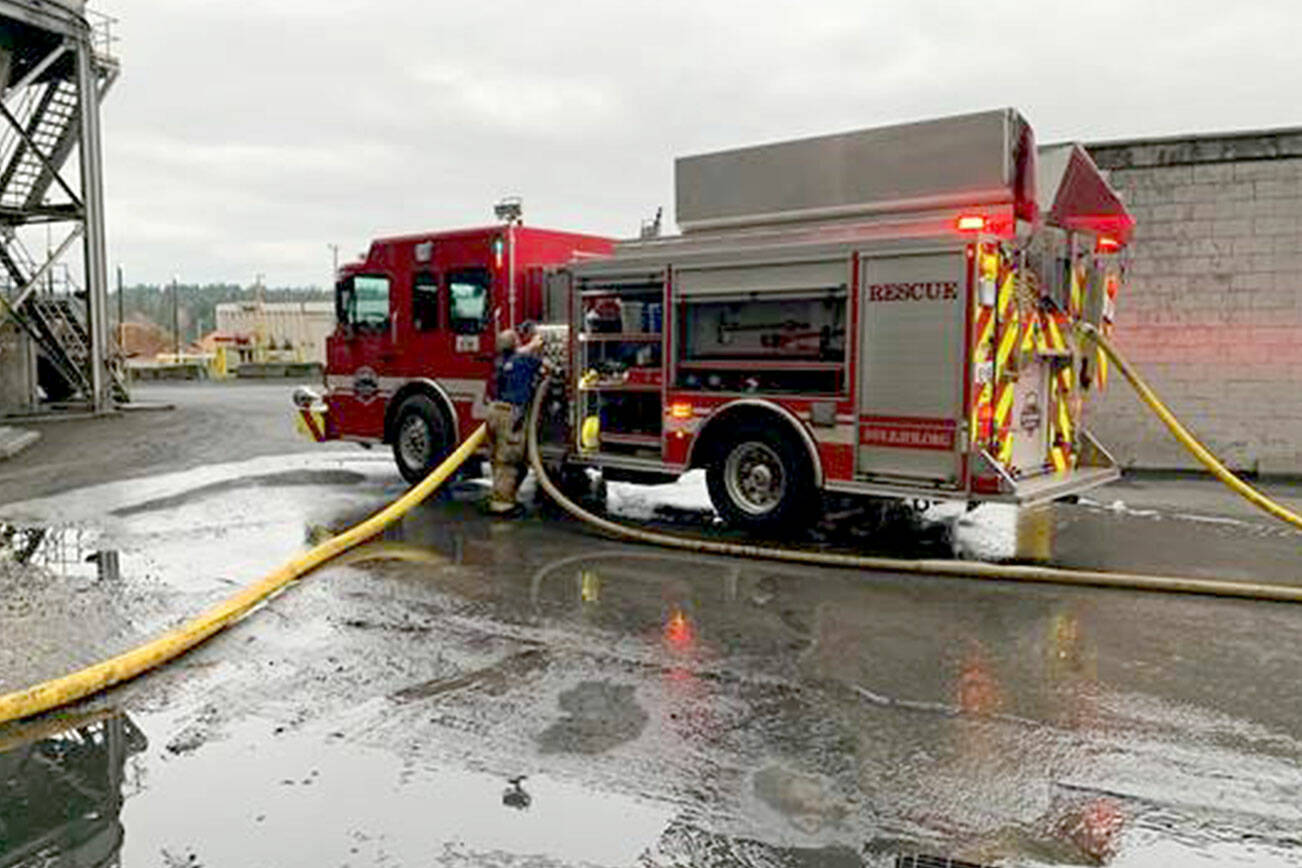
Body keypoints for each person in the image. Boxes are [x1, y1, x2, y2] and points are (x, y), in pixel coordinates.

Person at [486, 322, 545, 516]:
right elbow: (547, 369)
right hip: (510, 415)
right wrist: (538, 344)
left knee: (498, 459)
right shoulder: (524, 362)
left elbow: (517, 355)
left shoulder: (500, 362)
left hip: (494, 412)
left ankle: (502, 496)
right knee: (509, 460)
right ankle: (502, 505)